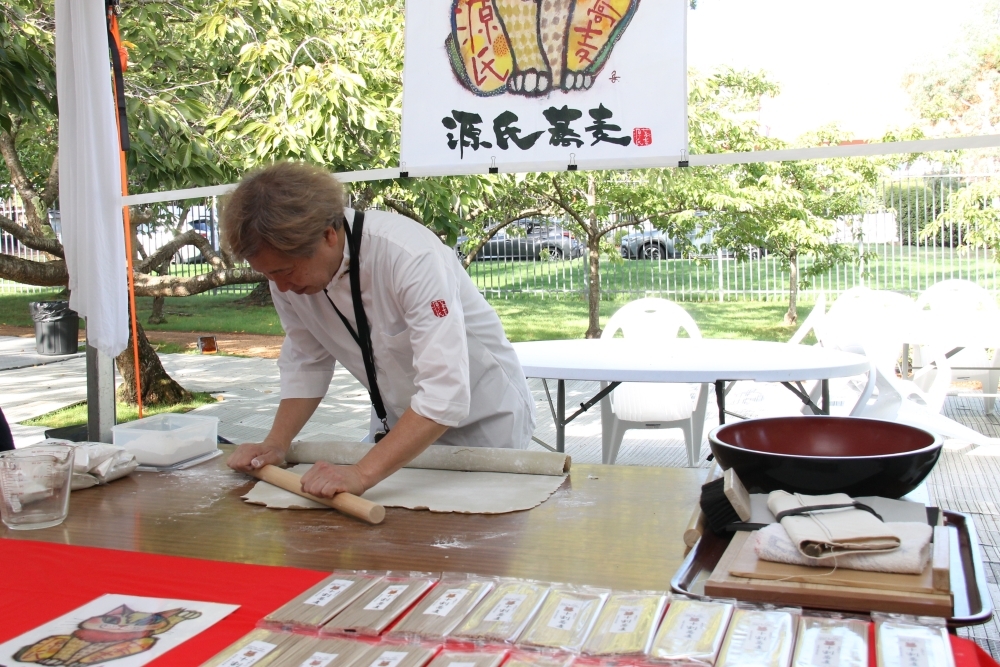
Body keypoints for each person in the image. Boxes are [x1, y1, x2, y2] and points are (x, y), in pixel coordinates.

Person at [223, 162, 535, 499]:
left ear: (328, 234)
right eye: (270, 276)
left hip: (484, 424)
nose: (281, 288)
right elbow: (306, 363)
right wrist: (275, 443)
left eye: (285, 271)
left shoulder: (410, 256)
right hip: (402, 426)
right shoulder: (287, 282)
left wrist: (361, 473)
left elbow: (445, 393)